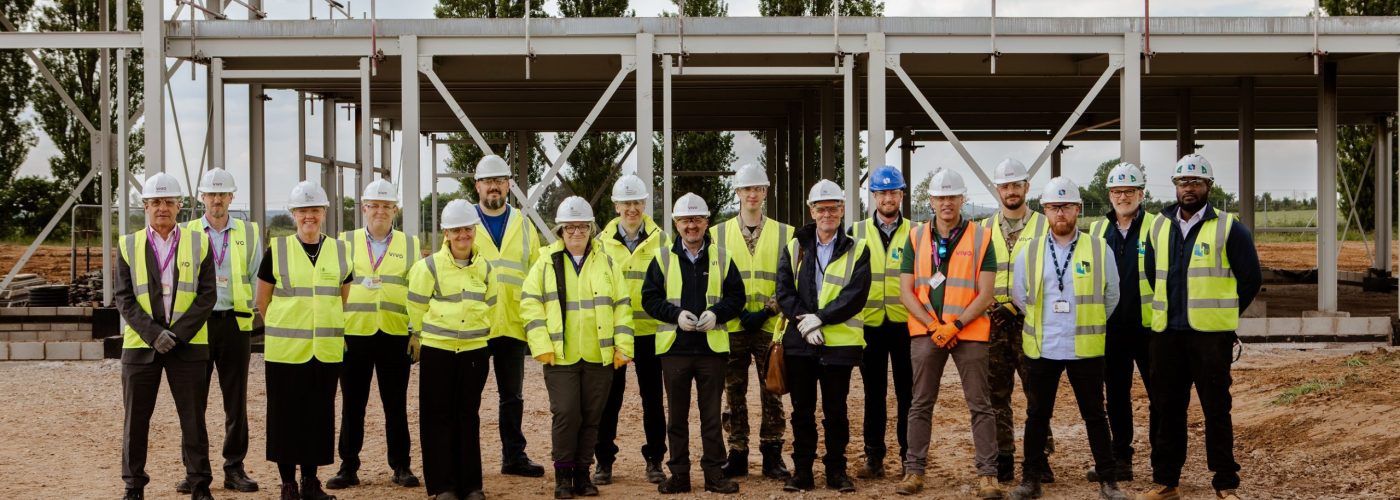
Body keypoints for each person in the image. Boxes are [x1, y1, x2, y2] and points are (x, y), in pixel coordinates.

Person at [1136, 154, 1261, 500]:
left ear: (1208, 186)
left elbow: (1250, 279)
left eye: (1195, 182)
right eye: (1182, 182)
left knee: (1216, 410)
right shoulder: (1159, 227)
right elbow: (1151, 273)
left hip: (1210, 338)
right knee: (1166, 409)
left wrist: (1224, 315)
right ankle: (1166, 483)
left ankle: (1225, 483)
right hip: (1166, 336)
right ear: (1175, 186)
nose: (1188, 188)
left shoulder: (1229, 228)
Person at [1007, 177, 1128, 500]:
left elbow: (1111, 295)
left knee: (1095, 415)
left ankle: (1108, 480)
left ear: (1078, 209)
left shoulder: (1098, 249)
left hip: (1084, 348)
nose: (1060, 213)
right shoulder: (1029, 251)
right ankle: (1030, 478)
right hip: (1043, 346)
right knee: (1037, 415)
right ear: (1044, 210)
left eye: (1066, 206)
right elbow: (1019, 295)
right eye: (1053, 207)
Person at [895, 169, 1002, 499]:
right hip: (927, 332)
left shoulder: (982, 237)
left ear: (962, 199)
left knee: (980, 405)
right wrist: (932, 327)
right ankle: (914, 472)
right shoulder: (915, 238)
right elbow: (906, 291)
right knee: (920, 403)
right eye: (940, 197)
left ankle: (988, 476)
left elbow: (985, 294)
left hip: (968, 331)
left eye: (952, 196)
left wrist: (953, 326)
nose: (946, 203)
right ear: (931, 201)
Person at [522, 196, 636, 499]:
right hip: (560, 356)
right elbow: (530, 305)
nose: (576, 232)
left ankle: (584, 475)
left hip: (599, 355)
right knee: (566, 414)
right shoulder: (546, 262)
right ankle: (563, 475)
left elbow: (621, 306)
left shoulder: (607, 262)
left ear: (591, 228)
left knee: (591, 416)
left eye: (582, 227)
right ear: (560, 230)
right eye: (570, 227)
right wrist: (541, 345)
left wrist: (622, 347)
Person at [115, 173, 217, 500]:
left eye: (168, 201)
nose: (162, 207)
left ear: (180, 206)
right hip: (141, 348)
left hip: (187, 347)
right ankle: (133, 487)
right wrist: (153, 334)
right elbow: (124, 298)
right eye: (155, 202)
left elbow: (207, 295)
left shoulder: (199, 242)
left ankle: (200, 485)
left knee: (194, 421)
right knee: (136, 422)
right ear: (145, 206)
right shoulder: (128, 245)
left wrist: (177, 335)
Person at [641, 192, 746, 495]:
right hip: (675, 348)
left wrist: (717, 313)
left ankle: (714, 474)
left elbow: (736, 297)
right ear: (676, 223)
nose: (691, 225)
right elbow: (649, 298)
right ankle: (680, 475)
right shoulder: (663, 257)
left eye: (697, 219)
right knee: (677, 416)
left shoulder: (722, 257)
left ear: (707, 222)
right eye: (686, 220)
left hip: (711, 349)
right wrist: (675, 315)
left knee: (711, 415)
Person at [256, 180, 354, 500]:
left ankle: (311, 482)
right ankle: (288, 484)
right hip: (285, 352)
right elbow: (263, 301)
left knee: (318, 416)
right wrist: (284, 327)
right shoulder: (278, 250)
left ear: (323, 213)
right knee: (285, 417)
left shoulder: (340, 251)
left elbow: (342, 296)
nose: (308, 216)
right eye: (302, 211)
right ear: (293, 214)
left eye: (314, 210)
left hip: (324, 351)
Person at [775, 180, 872, 493]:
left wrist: (822, 318)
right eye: (821, 208)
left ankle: (836, 471)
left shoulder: (858, 249)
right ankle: (802, 472)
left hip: (839, 345)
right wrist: (806, 321)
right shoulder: (794, 247)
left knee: (836, 412)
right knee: (801, 412)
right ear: (811, 211)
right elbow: (784, 291)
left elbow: (856, 294)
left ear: (842, 210)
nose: (827, 213)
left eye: (833, 207)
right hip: (801, 345)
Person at [327, 179, 422, 490]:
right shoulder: (344, 242)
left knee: (395, 405)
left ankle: (401, 466)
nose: (380, 211)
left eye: (387, 206)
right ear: (364, 208)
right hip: (354, 335)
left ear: (395, 209)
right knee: (352, 404)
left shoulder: (410, 244)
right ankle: (348, 466)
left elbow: (418, 292)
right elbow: (332, 289)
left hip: (395, 335)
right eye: (374, 205)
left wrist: (416, 333)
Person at [407, 199, 498, 500]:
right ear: (446, 233)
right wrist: (422, 339)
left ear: (475, 230)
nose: (463, 235)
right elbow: (416, 309)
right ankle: (443, 486)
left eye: (468, 229)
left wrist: (482, 342)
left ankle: (471, 485)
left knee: (468, 416)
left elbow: (492, 308)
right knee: (437, 417)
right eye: (456, 230)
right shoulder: (428, 267)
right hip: (438, 352)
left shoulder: (485, 269)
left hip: (474, 351)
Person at [177, 168, 260, 495]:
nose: (216, 200)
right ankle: (195, 472)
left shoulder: (249, 232)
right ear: (201, 197)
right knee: (192, 403)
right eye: (210, 194)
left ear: (231, 197)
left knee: (235, 401)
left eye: (222, 194)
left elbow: (254, 275)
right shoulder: (185, 232)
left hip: (235, 322)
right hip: (196, 324)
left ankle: (234, 468)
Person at [710, 164, 793, 479]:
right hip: (733, 326)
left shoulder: (785, 233)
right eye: (747, 189)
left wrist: (769, 309)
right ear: (738, 193)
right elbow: (713, 278)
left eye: (758, 188)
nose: (753, 194)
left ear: (766, 192)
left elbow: (790, 280)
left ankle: (772, 454)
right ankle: (738, 452)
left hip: (771, 327)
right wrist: (736, 310)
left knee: (772, 389)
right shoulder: (719, 233)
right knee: (733, 390)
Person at [980, 157, 1054, 483]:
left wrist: (1021, 307)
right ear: (997, 189)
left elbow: (1056, 276)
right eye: (1005, 186)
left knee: (1038, 394)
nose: (1011, 191)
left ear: (1027, 187)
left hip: (1033, 323)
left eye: (1016, 185)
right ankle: (1005, 457)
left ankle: (1039, 459)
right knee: (996, 395)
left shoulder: (1045, 226)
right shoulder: (981, 229)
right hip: (992, 325)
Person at [472, 154, 546, 478]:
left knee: (512, 397)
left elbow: (535, 276)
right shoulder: (467, 223)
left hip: (513, 325)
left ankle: (513, 457)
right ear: (477, 186)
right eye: (488, 181)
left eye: (500, 181)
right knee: (467, 400)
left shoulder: (524, 224)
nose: (494, 187)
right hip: (475, 324)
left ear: (509, 186)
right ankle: (466, 460)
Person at [593, 175, 669, 485]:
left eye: (637, 202)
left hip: (652, 332)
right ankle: (604, 462)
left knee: (653, 399)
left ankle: (655, 460)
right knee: (609, 400)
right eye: (626, 203)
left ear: (644, 204)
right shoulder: (600, 243)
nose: (632, 208)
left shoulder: (662, 240)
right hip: (616, 333)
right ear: (616, 205)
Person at [1087, 162, 1157, 483]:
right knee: (1116, 394)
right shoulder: (1098, 231)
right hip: (1112, 328)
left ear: (1141, 194)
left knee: (1160, 395)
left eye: (1129, 191)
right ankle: (1121, 459)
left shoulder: (1158, 228)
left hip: (1151, 329)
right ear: (1109, 195)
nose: (1123, 196)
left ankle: (1162, 460)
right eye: (1117, 191)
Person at [849, 165, 913, 479]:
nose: (888, 198)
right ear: (873, 196)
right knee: (874, 394)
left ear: (901, 194)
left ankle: (908, 457)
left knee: (907, 394)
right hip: (870, 325)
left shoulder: (916, 232)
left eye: (893, 191)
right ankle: (874, 458)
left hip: (906, 325)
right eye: (882, 192)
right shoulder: (855, 232)